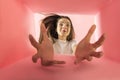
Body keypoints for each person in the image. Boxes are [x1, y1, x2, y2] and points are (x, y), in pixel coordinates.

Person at [29, 14, 105, 66]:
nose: (64, 26)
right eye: (61, 24)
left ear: (70, 30)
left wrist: (79, 52)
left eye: (68, 25)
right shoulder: (50, 43)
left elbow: (75, 48)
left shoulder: (72, 42)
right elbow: (46, 50)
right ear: (56, 29)